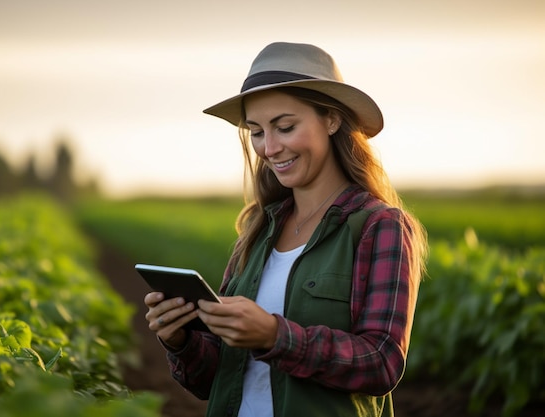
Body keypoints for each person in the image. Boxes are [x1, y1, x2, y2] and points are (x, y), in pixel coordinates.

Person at [143, 42, 428, 417]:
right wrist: (179, 338)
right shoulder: (257, 232)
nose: (269, 147)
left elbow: (382, 362)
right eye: (257, 132)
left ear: (331, 120)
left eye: (285, 127)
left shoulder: (380, 226)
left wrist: (275, 336)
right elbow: (216, 378)